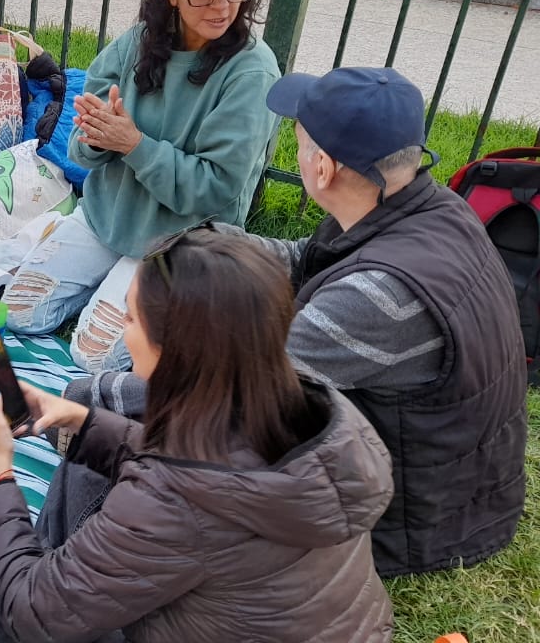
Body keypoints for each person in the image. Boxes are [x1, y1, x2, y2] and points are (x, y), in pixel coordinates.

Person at [50, 67, 529, 578]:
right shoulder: (424, 208)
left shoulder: (378, 296)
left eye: (297, 143)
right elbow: (306, 260)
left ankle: (55, 560)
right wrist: (207, 243)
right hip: (441, 477)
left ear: (322, 167)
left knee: (129, 432)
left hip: (407, 520)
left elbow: (232, 395)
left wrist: (84, 399)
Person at [0, 229, 396, 642]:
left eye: (131, 319)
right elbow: (213, 478)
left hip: (213, 617)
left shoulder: (174, 498)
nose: (122, 329)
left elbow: (30, 616)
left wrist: (0, 473)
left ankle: (57, 576)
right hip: (294, 620)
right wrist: (82, 422)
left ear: (176, 351)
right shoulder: (311, 404)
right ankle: (66, 573)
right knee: (83, 451)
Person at [0, 0, 280, 373]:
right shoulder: (138, 43)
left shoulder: (252, 72)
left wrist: (135, 145)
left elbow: (216, 188)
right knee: (18, 311)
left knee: (94, 355)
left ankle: (169, 298)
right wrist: (97, 138)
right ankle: (97, 266)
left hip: (184, 241)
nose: (222, 4)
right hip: (108, 217)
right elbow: (81, 149)